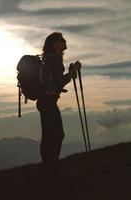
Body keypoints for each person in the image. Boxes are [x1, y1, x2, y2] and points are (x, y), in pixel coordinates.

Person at [36, 32, 81, 170]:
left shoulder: (48, 58)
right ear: (54, 44)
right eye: (61, 40)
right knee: (56, 134)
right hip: (48, 101)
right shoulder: (53, 59)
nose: (65, 42)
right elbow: (59, 82)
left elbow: (54, 81)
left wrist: (69, 73)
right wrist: (73, 72)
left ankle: (48, 165)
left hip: (44, 101)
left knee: (49, 134)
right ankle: (51, 166)